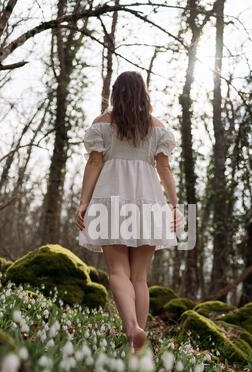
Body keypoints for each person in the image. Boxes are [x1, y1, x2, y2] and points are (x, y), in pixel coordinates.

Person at [76, 71, 184, 353]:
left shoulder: (102, 125)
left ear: (115, 93)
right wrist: (174, 205)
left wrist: (84, 201)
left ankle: (131, 328)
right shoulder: (158, 129)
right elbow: (165, 169)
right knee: (139, 278)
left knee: (118, 272)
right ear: (142, 94)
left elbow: (94, 163)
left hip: (111, 198)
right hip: (148, 200)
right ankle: (138, 339)